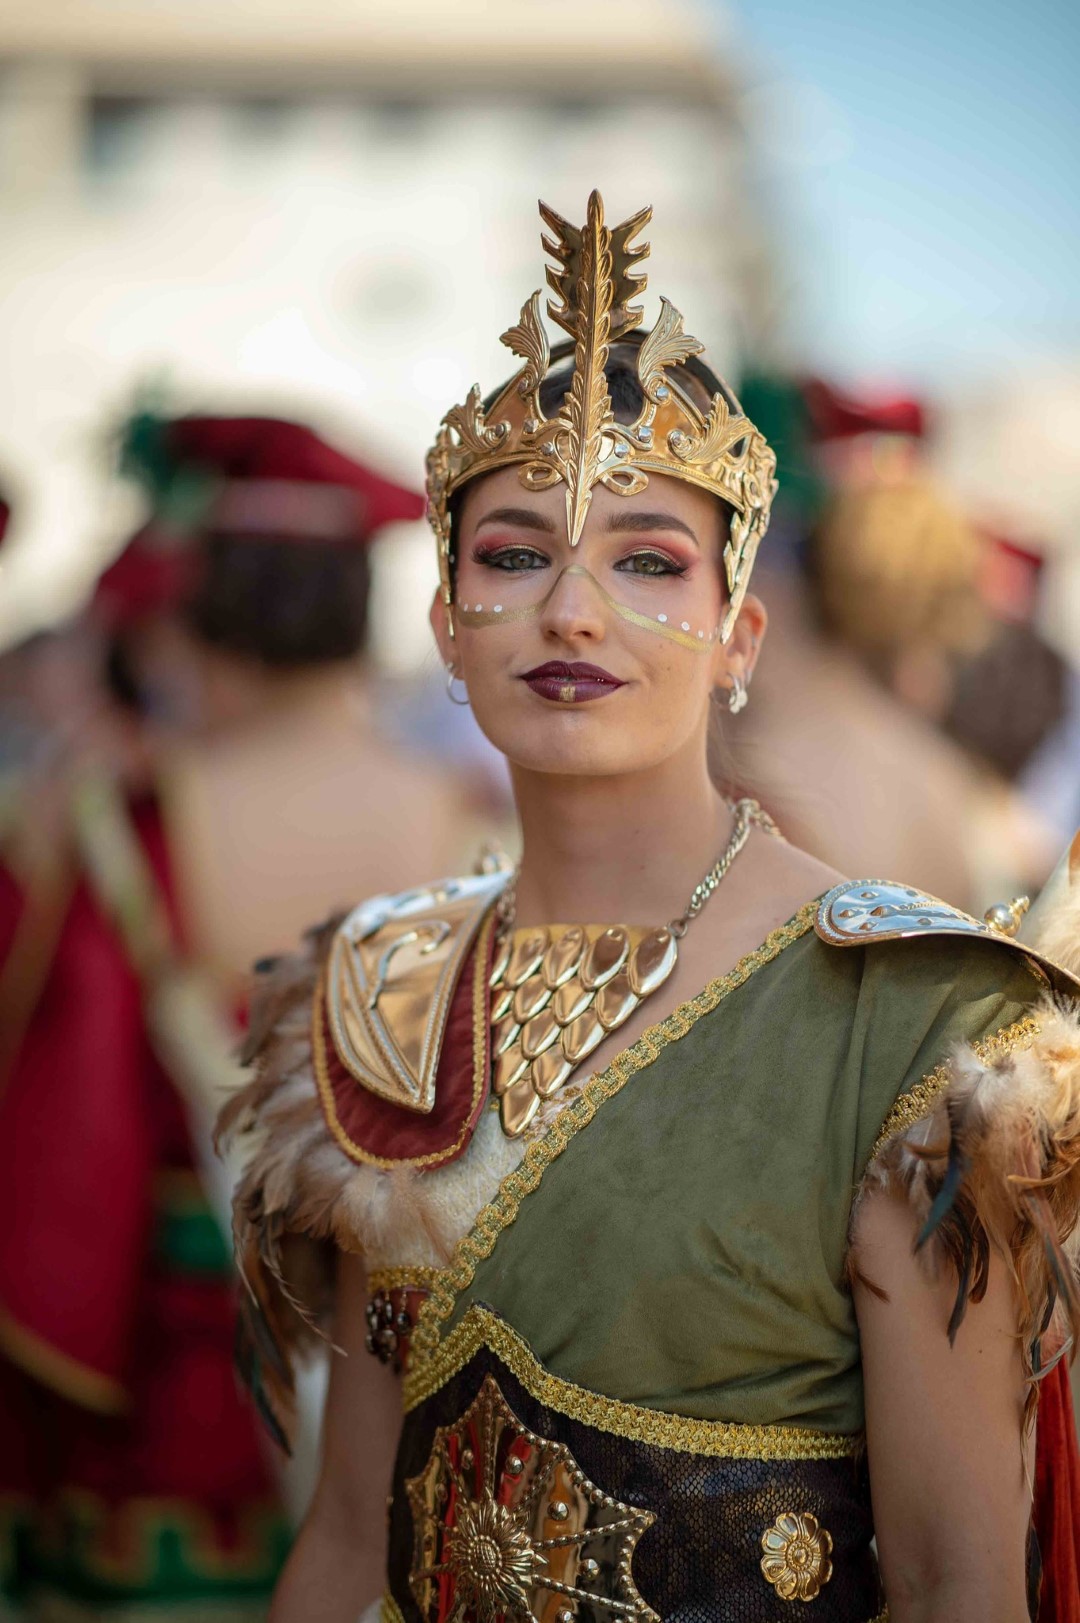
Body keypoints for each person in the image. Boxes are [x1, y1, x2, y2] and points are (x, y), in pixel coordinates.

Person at [218, 194, 1080, 1623]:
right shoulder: (388, 986)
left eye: (648, 560)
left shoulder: (914, 1017)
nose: (573, 611)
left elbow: (957, 1582)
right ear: (445, 627)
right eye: (513, 555)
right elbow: (349, 1540)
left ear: (739, 635)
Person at [0, 416, 470, 1619]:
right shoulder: (476, 823)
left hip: (186, 1368)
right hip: (429, 1349)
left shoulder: (121, 820)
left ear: (203, 606)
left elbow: (64, 1116)